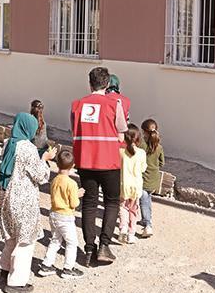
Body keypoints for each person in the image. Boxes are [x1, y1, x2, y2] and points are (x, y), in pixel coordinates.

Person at [71, 66, 128, 266]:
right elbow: (122, 132)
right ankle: (104, 245)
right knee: (111, 202)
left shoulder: (77, 105)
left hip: (85, 161)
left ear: (90, 83)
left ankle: (88, 248)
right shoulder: (114, 104)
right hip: (109, 160)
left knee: (89, 203)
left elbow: (75, 131)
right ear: (107, 84)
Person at [0, 113, 56, 293]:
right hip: (23, 198)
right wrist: (45, 160)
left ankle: (3, 268)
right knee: (25, 240)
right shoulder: (27, 148)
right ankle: (16, 281)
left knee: (12, 235)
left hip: (6, 195)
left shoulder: (8, 143)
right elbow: (41, 176)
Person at [38, 150, 84, 279]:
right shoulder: (72, 184)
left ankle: (46, 264)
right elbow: (74, 203)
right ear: (73, 166)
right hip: (65, 216)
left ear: (57, 164)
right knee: (71, 243)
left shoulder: (55, 180)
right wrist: (78, 194)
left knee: (55, 240)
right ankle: (68, 268)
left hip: (53, 213)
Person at [119, 124, 147, 244]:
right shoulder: (141, 153)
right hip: (136, 187)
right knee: (133, 210)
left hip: (123, 185)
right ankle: (131, 233)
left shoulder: (121, 152)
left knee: (123, 208)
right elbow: (143, 169)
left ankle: (123, 228)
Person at [139, 119, 165, 238]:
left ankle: (148, 224)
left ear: (144, 131)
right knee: (148, 199)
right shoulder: (159, 147)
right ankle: (147, 219)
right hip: (154, 178)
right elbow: (162, 163)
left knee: (143, 201)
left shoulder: (141, 145)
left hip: (144, 178)